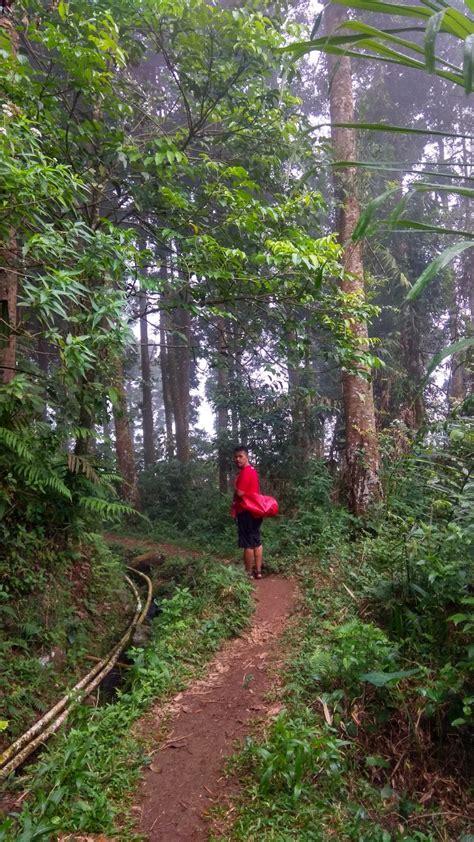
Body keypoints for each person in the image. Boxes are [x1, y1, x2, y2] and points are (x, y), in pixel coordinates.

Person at [231, 445, 263, 579]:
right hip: (256, 511)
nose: (237, 459)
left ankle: (248, 573)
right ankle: (258, 571)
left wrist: (234, 486)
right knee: (256, 540)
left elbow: (240, 492)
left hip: (246, 512)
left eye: (240, 456)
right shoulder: (253, 471)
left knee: (248, 543)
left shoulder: (245, 472)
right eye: (236, 457)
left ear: (247, 457)